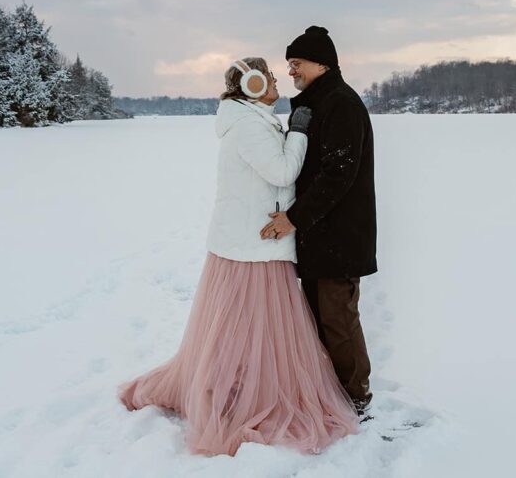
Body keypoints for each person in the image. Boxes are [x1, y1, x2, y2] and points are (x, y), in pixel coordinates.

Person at [118, 56, 359, 456]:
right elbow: (282, 172)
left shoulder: (252, 118)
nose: (276, 79)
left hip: (253, 242)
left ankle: (241, 385)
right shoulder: (247, 124)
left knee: (247, 327)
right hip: (252, 246)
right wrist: (299, 132)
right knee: (247, 325)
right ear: (249, 85)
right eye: (266, 76)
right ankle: (241, 393)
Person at [260, 27, 377, 416]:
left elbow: (337, 175)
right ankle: (329, 395)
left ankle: (356, 399)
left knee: (338, 322)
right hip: (315, 236)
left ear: (321, 63)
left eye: (297, 63)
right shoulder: (313, 104)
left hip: (339, 237)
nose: (290, 70)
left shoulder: (341, 104)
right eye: (289, 64)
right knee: (316, 321)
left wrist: (293, 218)